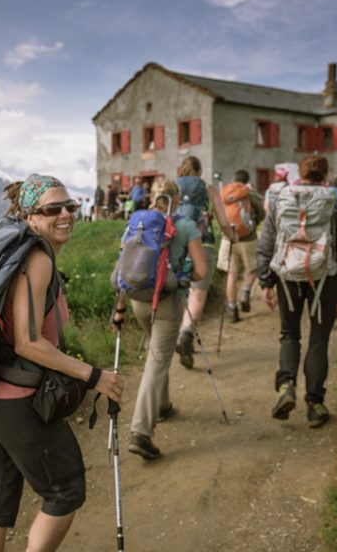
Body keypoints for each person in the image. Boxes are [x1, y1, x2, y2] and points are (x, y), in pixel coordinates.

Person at [0, 174, 124, 552]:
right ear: (30, 217)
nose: (65, 215)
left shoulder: (11, 254)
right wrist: (96, 377)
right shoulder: (36, 259)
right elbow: (29, 342)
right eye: (52, 209)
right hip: (17, 398)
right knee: (65, 491)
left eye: (69, 206)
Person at [256, 155, 337, 428]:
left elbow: (266, 241)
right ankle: (315, 404)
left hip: (287, 277)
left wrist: (266, 281)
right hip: (324, 278)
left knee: (289, 334)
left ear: (300, 174)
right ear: (325, 176)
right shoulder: (334, 203)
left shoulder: (282, 200)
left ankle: (286, 386)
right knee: (318, 339)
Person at [112, 180, 207, 460]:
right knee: (156, 360)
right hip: (166, 301)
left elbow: (123, 268)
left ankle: (163, 405)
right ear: (176, 198)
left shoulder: (136, 224)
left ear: (153, 198)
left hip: (136, 300)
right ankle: (141, 432)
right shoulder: (186, 226)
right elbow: (201, 270)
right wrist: (183, 277)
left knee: (158, 353)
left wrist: (119, 310)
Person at [174, 155, 235, 369]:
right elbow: (223, 221)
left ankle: (174, 334)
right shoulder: (208, 189)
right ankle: (186, 333)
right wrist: (231, 237)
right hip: (203, 245)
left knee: (178, 292)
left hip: (176, 248)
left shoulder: (173, 187)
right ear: (200, 172)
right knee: (197, 296)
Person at [217, 169, 265, 322]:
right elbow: (262, 212)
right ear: (246, 181)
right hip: (248, 238)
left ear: (233, 179)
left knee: (232, 274)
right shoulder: (249, 193)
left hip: (228, 238)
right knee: (253, 268)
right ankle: (245, 291)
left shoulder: (224, 193)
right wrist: (255, 222)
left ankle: (232, 307)